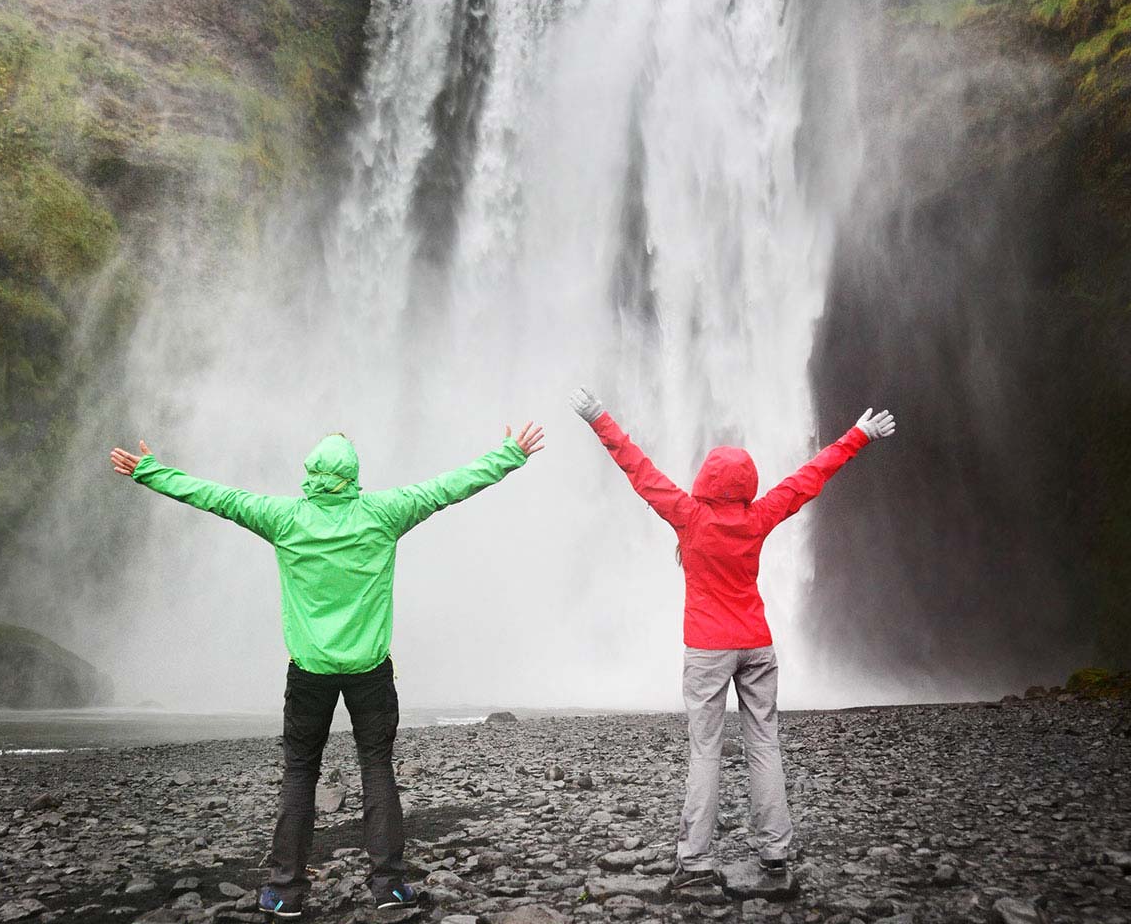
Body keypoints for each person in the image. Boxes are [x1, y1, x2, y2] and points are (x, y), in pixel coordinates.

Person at [109, 423, 546, 918]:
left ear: (312, 475)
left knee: (300, 773)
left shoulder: (283, 517)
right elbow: (450, 486)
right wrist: (510, 454)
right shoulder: (385, 512)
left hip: (310, 673)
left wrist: (151, 472)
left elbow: (215, 497)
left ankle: (285, 892)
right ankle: (388, 887)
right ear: (355, 475)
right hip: (370, 672)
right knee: (376, 768)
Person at [565, 386, 894, 889]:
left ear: (704, 481)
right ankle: (775, 857)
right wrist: (859, 435)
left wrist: (596, 417)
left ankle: (695, 862)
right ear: (746, 484)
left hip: (707, 648)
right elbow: (808, 478)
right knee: (765, 746)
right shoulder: (758, 517)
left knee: (706, 753)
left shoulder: (688, 516)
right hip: (757, 645)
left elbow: (638, 468)